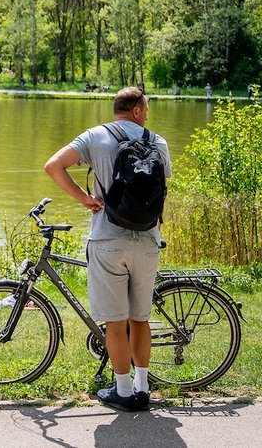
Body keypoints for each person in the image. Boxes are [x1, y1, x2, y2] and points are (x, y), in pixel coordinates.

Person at [43, 87, 171, 412]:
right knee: (140, 319)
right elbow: (161, 190)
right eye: (146, 109)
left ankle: (123, 391)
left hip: (108, 239)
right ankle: (143, 389)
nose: (147, 115)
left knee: (115, 322)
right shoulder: (157, 142)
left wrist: (85, 198)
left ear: (117, 109)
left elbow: (53, 166)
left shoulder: (95, 137)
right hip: (147, 241)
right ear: (137, 111)